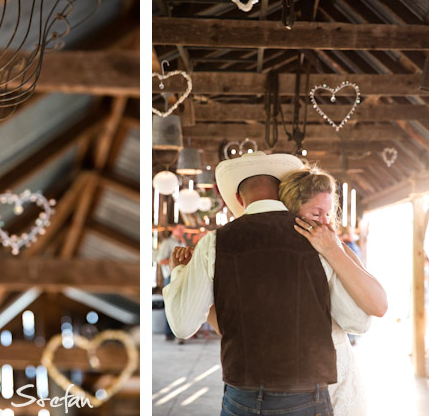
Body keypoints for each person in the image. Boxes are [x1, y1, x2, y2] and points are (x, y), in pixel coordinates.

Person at [164, 152, 373, 416]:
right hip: (307, 394)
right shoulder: (317, 239)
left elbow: (182, 326)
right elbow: (357, 322)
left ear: (239, 199)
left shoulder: (215, 243)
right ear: (281, 194)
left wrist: (180, 274)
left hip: (243, 394)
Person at [279, 168, 386, 415]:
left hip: (341, 372)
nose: (326, 221)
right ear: (290, 211)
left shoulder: (333, 245)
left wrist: (333, 250)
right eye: (316, 213)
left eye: (327, 213)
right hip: (296, 379)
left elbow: (378, 305)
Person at [156, 223, 186, 342]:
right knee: (170, 304)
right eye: (179, 229)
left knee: (180, 304)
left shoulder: (182, 243)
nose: (181, 231)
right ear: (174, 230)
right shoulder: (167, 243)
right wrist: (175, 260)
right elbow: (160, 260)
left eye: (183, 229)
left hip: (181, 276)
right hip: (170, 276)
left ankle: (178, 332)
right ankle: (169, 332)